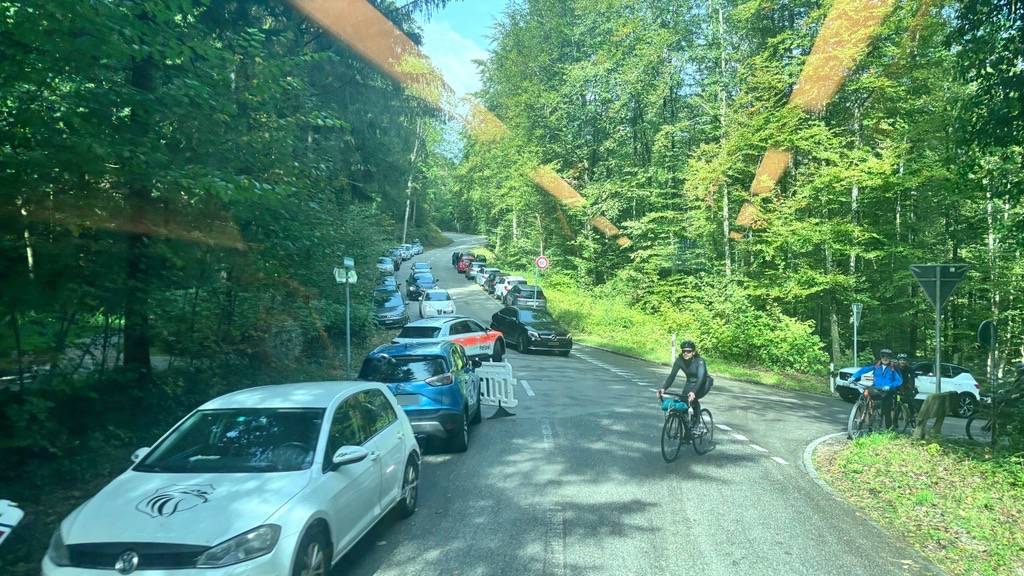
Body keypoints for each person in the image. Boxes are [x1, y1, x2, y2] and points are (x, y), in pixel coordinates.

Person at [658, 340, 713, 431]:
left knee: (693, 399)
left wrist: (693, 392)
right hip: (690, 382)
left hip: (704, 382)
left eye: (689, 351)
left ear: (693, 352)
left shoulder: (700, 361)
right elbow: (672, 376)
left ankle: (696, 424)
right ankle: (687, 432)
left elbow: (701, 378)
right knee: (683, 402)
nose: (686, 353)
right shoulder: (679, 360)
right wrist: (663, 388)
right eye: (684, 351)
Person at [850, 348, 903, 429]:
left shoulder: (893, 367)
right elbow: (864, 370)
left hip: (888, 391)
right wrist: (854, 376)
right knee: (866, 392)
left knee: (886, 411)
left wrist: (890, 386)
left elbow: (899, 381)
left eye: (887, 357)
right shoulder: (876, 365)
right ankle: (866, 413)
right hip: (876, 388)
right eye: (883, 356)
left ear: (890, 358)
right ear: (880, 357)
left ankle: (888, 429)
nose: (885, 358)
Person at [895, 352, 918, 424]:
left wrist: (912, 388)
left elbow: (912, 379)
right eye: (901, 360)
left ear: (906, 361)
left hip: (906, 387)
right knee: (897, 404)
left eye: (904, 360)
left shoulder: (909, 369)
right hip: (897, 388)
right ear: (898, 361)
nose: (902, 362)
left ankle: (912, 415)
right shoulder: (895, 368)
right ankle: (895, 422)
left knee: (910, 400)